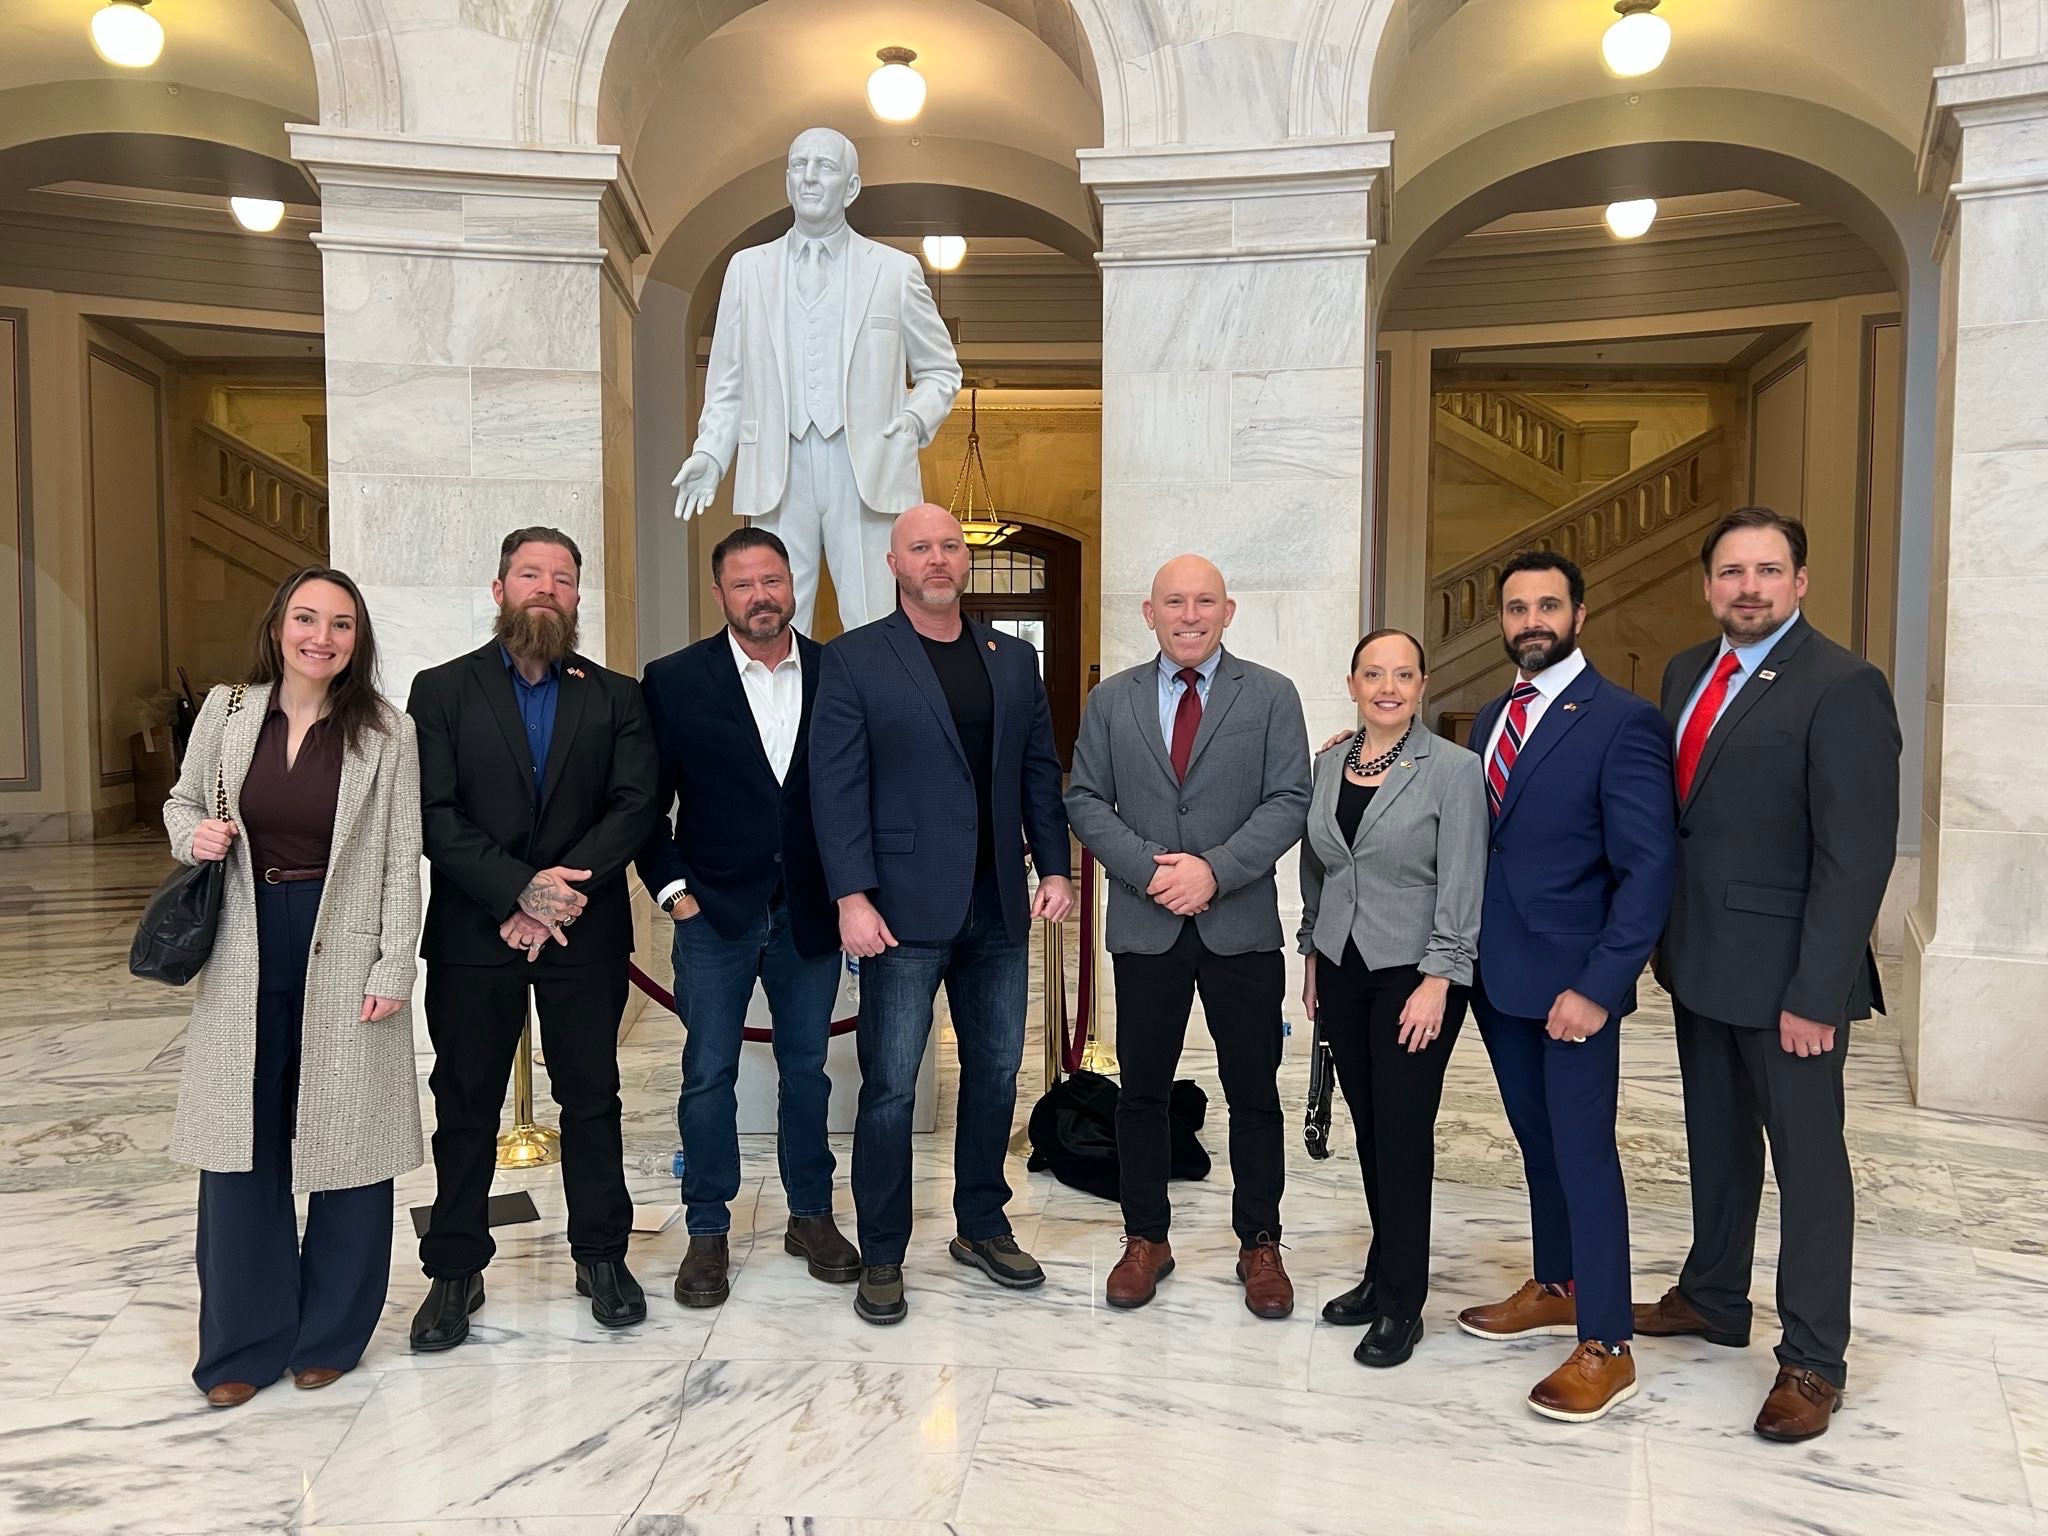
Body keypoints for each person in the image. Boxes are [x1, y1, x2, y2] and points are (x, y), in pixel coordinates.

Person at [1633, 508, 1900, 1442]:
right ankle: (1712, 1295)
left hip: (1790, 978)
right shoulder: (1683, 674)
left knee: (1810, 1168)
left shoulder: (1844, 686)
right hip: (1699, 960)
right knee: (1716, 1142)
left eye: (1767, 570)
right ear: (1709, 585)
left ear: (1800, 583)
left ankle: (1813, 1359)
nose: (1748, 586)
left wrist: (1816, 991)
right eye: (1731, 571)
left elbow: (1856, 855)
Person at [163, 567, 422, 1408]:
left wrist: (392, 965)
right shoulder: (227, 711)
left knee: (350, 1140)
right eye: (307, 619)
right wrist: (193, 834)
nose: (322, 637)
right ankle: (242, 1343)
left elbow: (398, 862)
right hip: (244, 941)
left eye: (341, 624)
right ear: (279, 627)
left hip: (343, 944)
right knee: (241, 1139)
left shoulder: (387, 732)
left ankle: (330, 1337)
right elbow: (180, 802)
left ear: (358, 639)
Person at [810, 503, 1073, 1325]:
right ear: (893, 563)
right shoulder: (855, 659)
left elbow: (1038, 769)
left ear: (965, 561)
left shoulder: (1012, 659)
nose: (938, 559)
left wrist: (1056, 865)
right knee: (889, 1087)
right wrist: (850, 895)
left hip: (997, 907)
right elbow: (837, 784)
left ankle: (981, 1224)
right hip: (900, 909)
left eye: (950, 546)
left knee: (995, 1073)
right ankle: (882, 1252)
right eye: (920, 547)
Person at [405, 527, 658, 1351]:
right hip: (475, 933)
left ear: (578, 596)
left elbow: (634, 807)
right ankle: (454, 1267)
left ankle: (601, 1255)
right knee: (466, 1100)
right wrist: (517, 890)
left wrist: (550, 898)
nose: (545, 588)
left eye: (562, 577)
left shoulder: (616, 695)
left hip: (582, 934)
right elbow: (434, 814)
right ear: (499, 588)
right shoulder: (440, 690)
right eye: (529, 574)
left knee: (591, 1096)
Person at [1454, 550, 1676, 1422]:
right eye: (1516, 608)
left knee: (1584, 1154)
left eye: (1548, 605)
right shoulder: (1489, 720)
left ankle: (1608, 1343)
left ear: (1580, 616)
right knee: (1534, 1140)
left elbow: (1649, 866)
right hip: (1498, 975)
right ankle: (1556, 1281)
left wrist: (1602, 984)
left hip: (1573, 986)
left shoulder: (1622, 721)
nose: (1531, 620)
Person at [1064, 555, 1311, 1319]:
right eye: (1176, 601)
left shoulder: (1270, 695)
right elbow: (1084, 797)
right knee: (1139, 1093)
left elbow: (1289, 799)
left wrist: (1215, 871)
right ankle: (1146, 1239)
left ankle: (1260, 1244)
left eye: (1205, 601)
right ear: (1150, 613)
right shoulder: (1111, 702)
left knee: (1253, 1093)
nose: (1191, 614)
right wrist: (1151, 872)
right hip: (1145, 926)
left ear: (1228, 611)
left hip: (1240, 927)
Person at [636, 526, 860, 1308]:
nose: (761, 596)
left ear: (793, 584)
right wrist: (673, 892)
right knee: (709, 1074)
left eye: (773, 580)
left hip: (808, 913)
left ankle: (810, 1215)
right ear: (720, 594)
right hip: (713, 913)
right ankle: (707, 1227)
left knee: (807, 1071)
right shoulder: (672, 680)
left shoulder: (841, 673)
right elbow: (643, 804)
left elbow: (858, 793)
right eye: (743, 585)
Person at [671, 126, 962, 634]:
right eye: (798, 166)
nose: (808, 178)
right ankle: (785, 715)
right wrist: (712, 453)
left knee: (875, 618)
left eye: (824, 167)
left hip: (867, 464)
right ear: (786, 179)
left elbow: (941, 370)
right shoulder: (747, 269)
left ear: (850, 188)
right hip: (779, 467)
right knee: (774, 615)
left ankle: (878, 714)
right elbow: (727, 381)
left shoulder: (894, 271)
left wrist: (914, 419)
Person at [1298, 629, 1487, 1366]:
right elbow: (1318, 870)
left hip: (1416, 975)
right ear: (1352, 683)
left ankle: (1404, 1304)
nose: (1387, 687)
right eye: (1373, 674)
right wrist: (1313, 953)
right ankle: (1382, 1274)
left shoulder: (1453, 770)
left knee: (1404, 1135)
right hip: (1343, 966)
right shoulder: (1328, 764)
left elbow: (1463, 882)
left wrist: (1441, 978)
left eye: (1402, 675)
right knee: (1371, 1128)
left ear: (1422, 685)